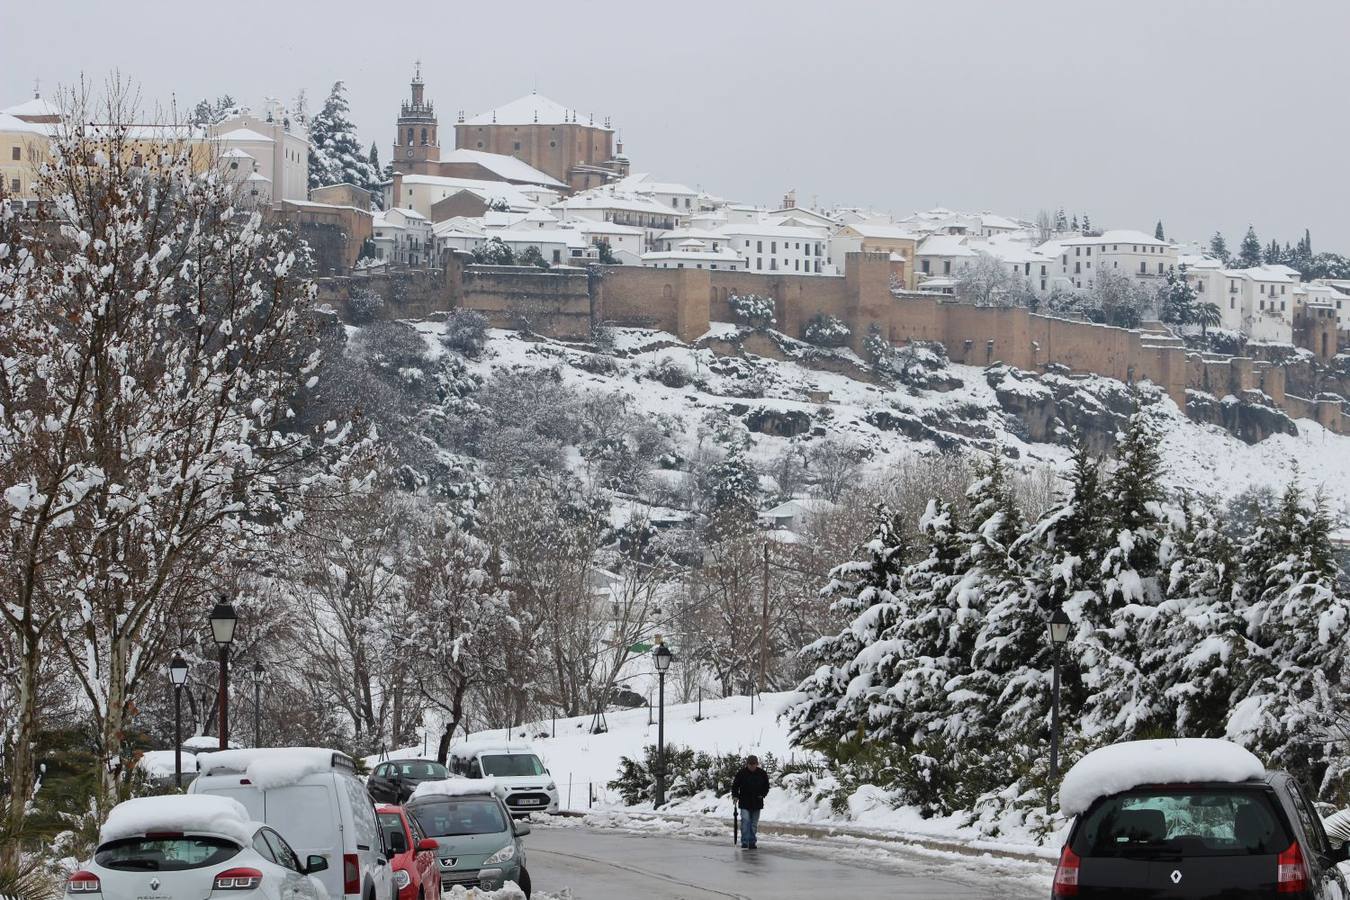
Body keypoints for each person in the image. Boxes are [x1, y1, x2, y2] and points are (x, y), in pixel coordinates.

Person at [731, 755, 770, 849]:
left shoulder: (762, 773)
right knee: (745, 821)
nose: (752, 766)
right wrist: (735, 796)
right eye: (750, 764)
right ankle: (744, 841)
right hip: (744, 802)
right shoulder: (741, 773)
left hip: (757, 802)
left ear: (757, 764)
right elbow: (735, 786)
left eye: (754, 764)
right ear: (747, 764)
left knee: (753, 823)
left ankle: (752, 842)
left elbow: (766, 786)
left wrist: (762, 794)